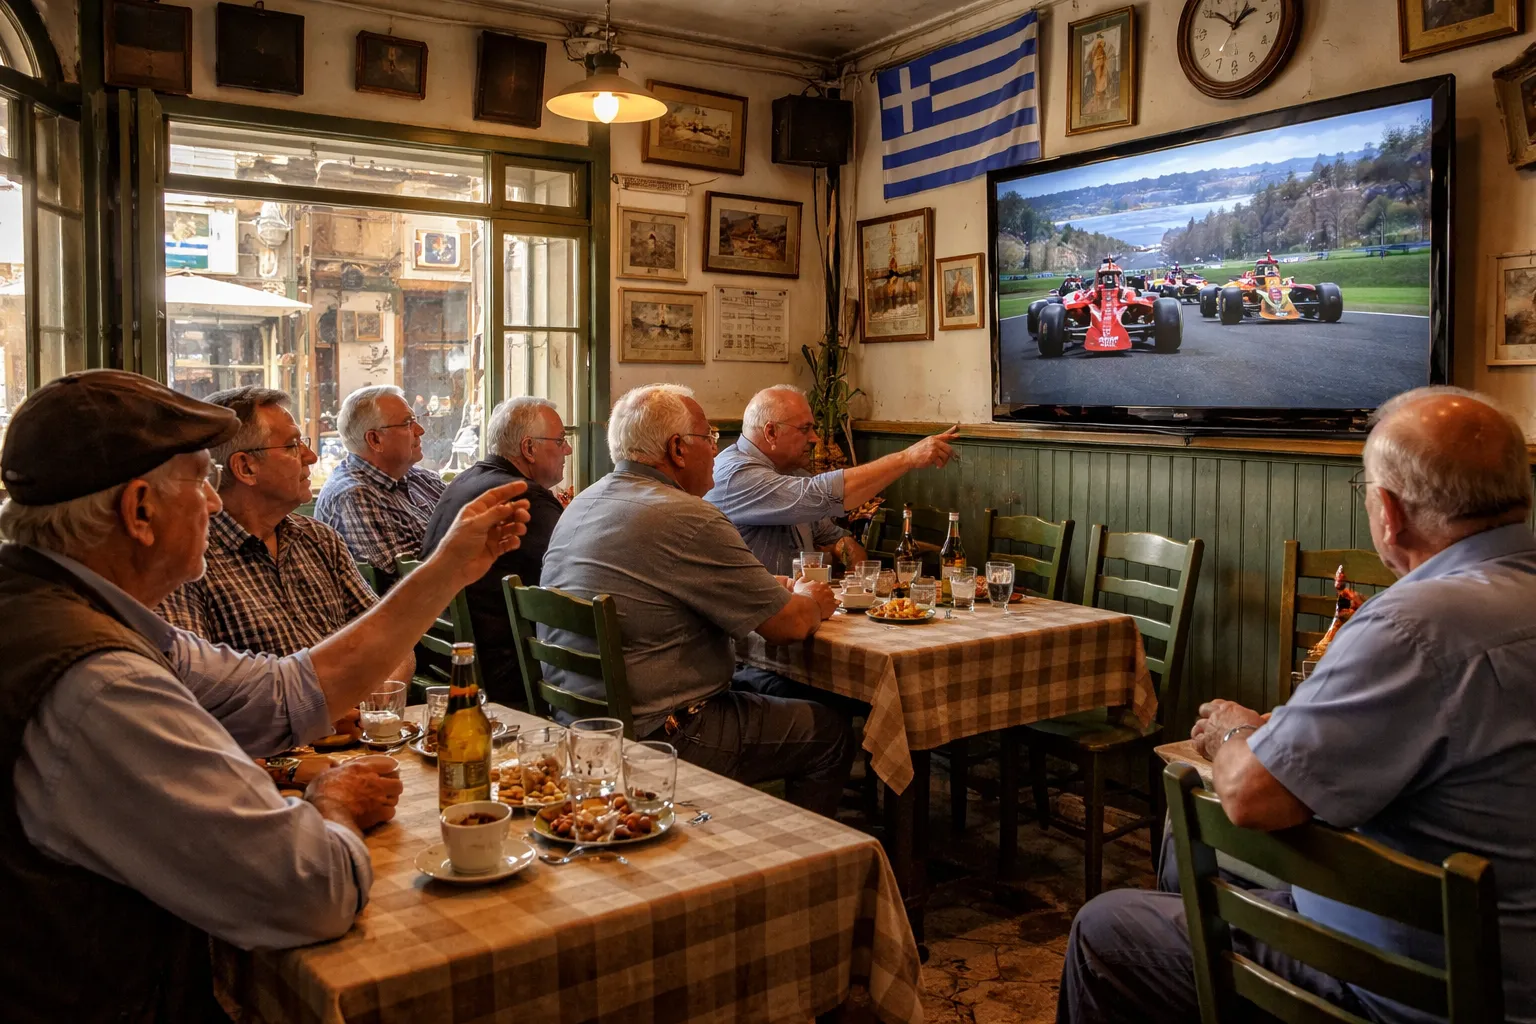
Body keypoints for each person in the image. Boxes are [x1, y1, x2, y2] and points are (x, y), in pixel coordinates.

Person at [0, 370, 530, 1021]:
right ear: (139, 510)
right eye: (199, 479)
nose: (215, 502)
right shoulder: (100, 683)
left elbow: (285, 691)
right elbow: (314, 891)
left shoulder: (57, 610)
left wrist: (450, 566)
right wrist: (331, 802)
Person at [1058, 386, 1536, 1024]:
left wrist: (1232, 732)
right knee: (1187, 856)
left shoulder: (1412, 625)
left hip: (1425, 990)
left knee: (1106, 927)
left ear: (1388, 512)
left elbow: (1253, 797)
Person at [540, 383, 853, 816]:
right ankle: (794, 863)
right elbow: (789, 627)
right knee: (831, 732)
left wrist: (764, 591)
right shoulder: (687, 515)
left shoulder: (584, 501)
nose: (717, 451)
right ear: (678, 449)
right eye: (710, 438)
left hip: (581, 723)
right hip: (664, 733)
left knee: (786, 687)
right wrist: (812, 598)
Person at [157, 386, 414, 687]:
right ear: (245, 467)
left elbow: (393, 640)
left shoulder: (319, 540)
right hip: (268, 733)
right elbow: (194, 687)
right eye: (293, 445)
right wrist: (326, 711)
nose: (312, 456)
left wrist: (373, 702)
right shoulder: (188, 561)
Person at [704, 385, 959, 577]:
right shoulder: (733, 474)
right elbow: (822, 495)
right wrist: (906, 459)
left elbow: (832, 535)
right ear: (771, 432)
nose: (815, 438)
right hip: (753, 634)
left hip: (798, 612)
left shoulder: (792, 472)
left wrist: (847, 551)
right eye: (805, 429)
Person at [422, 396, 568, 706]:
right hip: (506, 674)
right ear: (529, 448)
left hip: (450, 660)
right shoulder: (523, 498)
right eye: (560, 440)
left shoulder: (464, 482)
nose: (567, 449)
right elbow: (573, 579)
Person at [314, 384, 446, 585]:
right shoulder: (354, 496)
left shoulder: (421, 478)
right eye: (407, 423)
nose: (420, 430)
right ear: (375, 439)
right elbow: (407, 586)